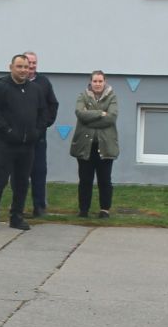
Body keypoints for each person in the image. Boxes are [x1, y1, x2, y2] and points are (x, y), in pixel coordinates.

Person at [0, 54, 46, 231]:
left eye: (26, 67)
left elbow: (43, 113)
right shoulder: (0, 87)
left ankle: (16, 217)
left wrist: (37, 132)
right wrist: (8, 131)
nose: (23, 70)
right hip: (6, 144)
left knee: (22, 183)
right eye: (19, 67)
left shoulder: (35, 89)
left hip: (27, 145)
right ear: (11, 67)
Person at [70, 71, 118, 217]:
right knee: (85, 179)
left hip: (105, 146)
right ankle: (83, 210)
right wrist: (100, 113)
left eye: (100, 81)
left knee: (105, 180)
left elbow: (111, 118)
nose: (97, 84)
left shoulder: (112, 97)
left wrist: (90, 116)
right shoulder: (82, 96)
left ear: (105, 82)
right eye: (95, 81)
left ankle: (105, 209)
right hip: (85, 146)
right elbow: (80, 114)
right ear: (90, 82)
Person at [24, 52, 59, 218]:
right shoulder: (14, 83)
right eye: (29, 63)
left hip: (38, 136)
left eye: (34, 63)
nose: (31, 66)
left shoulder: (44, 82)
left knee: (39, 171)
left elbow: (53, 105)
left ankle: (39, 206)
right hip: (19, 137)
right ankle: (18, 206)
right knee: (19, 174)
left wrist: (45, 124)